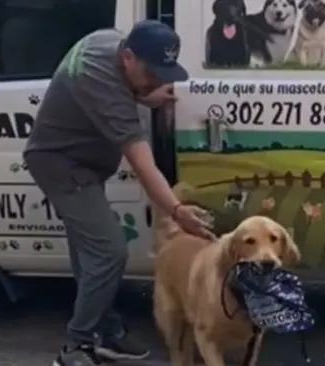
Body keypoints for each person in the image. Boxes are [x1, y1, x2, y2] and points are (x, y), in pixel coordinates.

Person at [23, 20, 214, 366]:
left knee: (91, 256)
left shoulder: (108, 41)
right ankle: (76, 347)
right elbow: (144, 166)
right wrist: (177, 211)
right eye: (152, 72)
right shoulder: (105, 85)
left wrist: (143, 92)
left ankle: (106, 330)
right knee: (110, 251)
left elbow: (123, 86)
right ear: (127, 58)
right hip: (62, 165)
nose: (159, 80)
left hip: (81, 161)